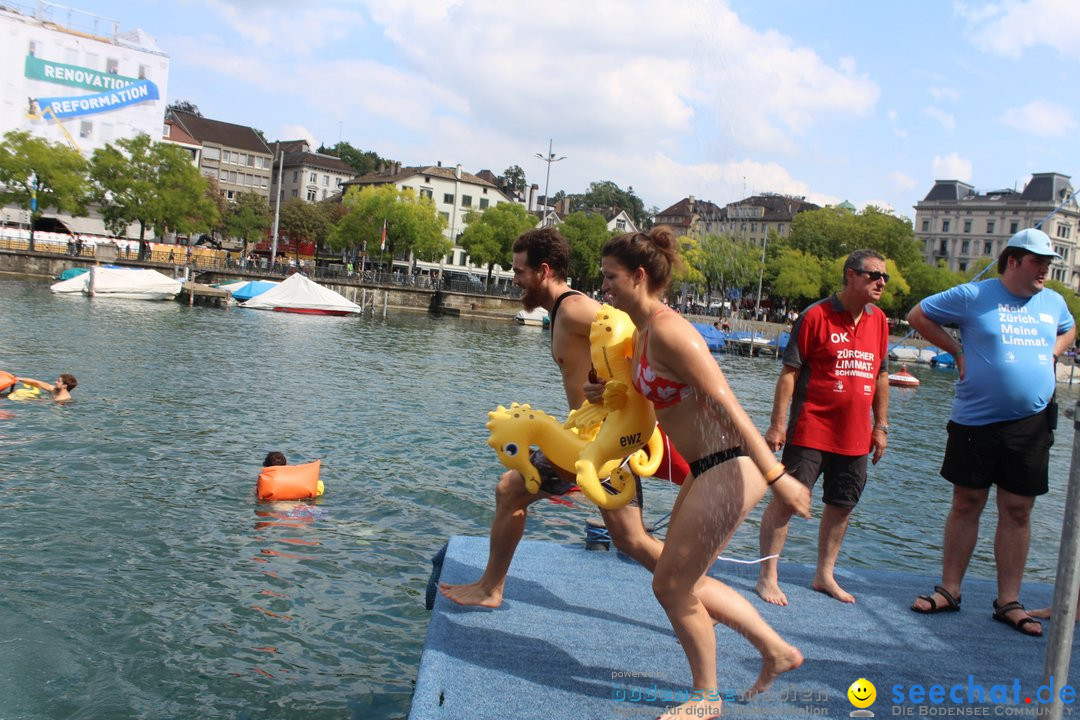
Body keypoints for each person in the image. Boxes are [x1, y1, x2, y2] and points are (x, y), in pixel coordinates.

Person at [600, 227, 811, 719]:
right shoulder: (646, 328)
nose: (604, 286)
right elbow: (662, 400)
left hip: (732, 465)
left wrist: (778, 475)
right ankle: (776, 652)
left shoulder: (671, 330)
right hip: (706, 467)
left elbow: (728, 404)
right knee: (679, 578)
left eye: (610, 277)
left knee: (671, 586)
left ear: (638, 276)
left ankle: (706, 698)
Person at [439, 227, 689, 613]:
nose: (514, 279)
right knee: (624, 536)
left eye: (519, 271)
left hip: (607, 438)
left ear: (543, 271)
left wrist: (617, 389)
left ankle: (699, 597)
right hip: (590, 435)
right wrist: (604, 381)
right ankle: (698, 597)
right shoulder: (560, 312)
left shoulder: (573, 308)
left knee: (627, 537)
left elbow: (635, 326)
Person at [909, 228, 1075, 637]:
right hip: (975, 419)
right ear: (1013, 261)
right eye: (1039, 262)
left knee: (1018, 509)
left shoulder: (1053, 302)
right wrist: (957, 350)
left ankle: (1008, 601)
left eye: (1049, 263)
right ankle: (950, 589)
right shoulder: (972, 295)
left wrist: (1054, 352)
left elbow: (1070, 327)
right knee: (967, 501)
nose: (1045, 270)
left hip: (1031, 423)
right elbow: (918, 315)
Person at [755, 249, 891, 605]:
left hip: (856, 434)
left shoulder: (879, 321)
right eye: (873, 275)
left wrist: (882, 426)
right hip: (811, 427)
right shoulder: (814, 316)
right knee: (787, 501)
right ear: (850, 275)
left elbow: (881, 376)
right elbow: (789, 372)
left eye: (884, 277)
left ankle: (823, 574)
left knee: (842, 505)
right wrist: (777, 424)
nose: (881, 282)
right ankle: (767, 575)